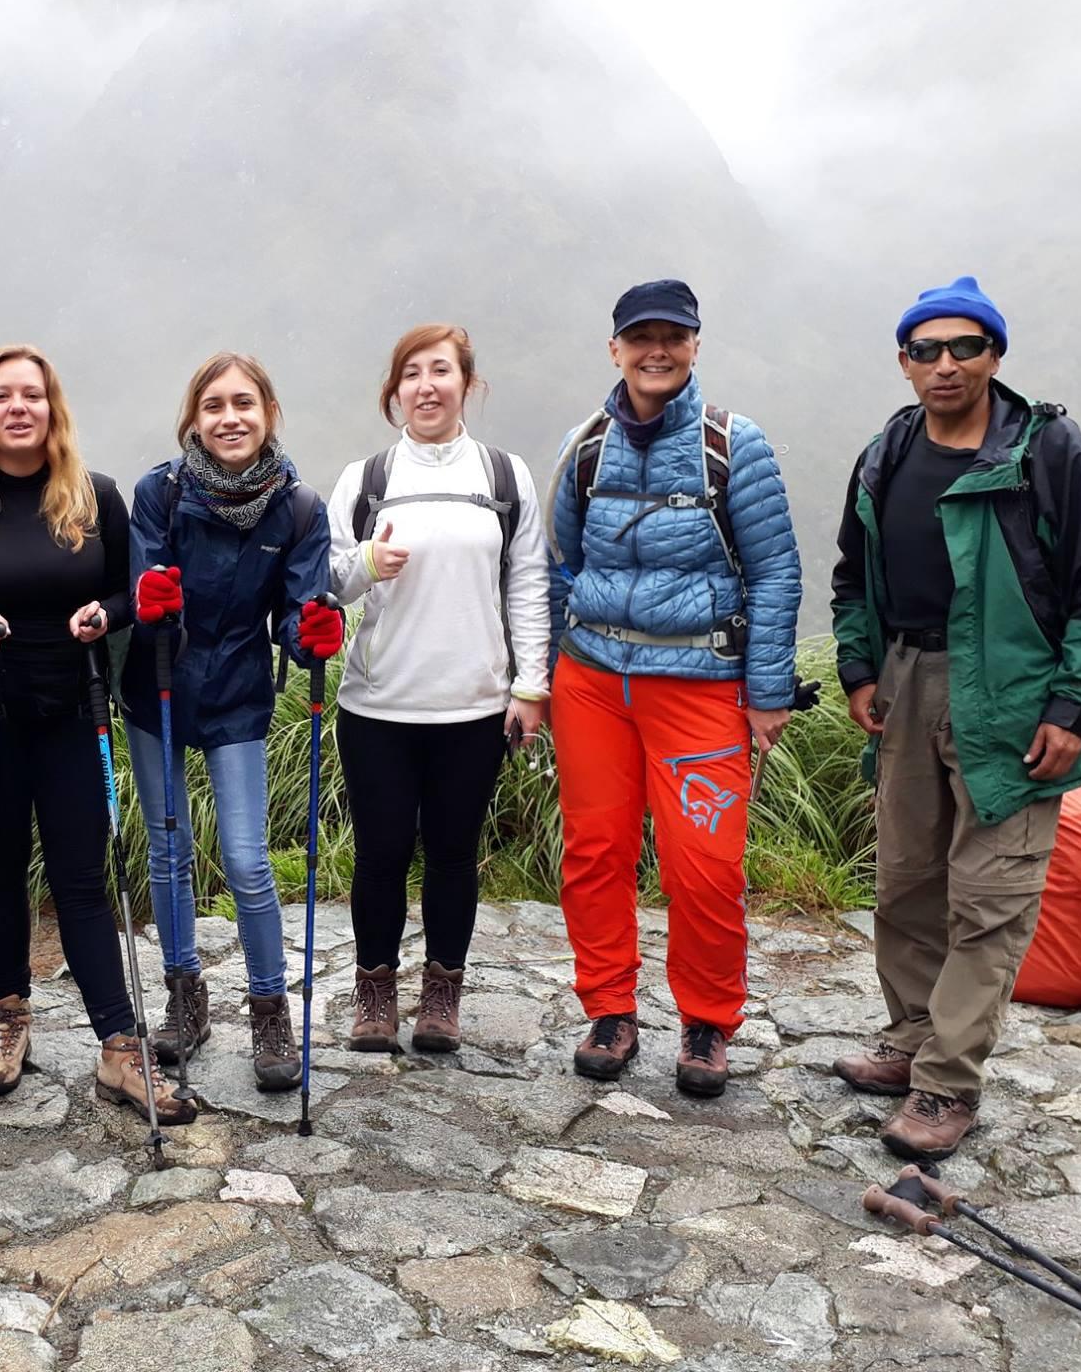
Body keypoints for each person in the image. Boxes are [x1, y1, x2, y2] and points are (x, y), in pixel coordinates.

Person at [830, 276, 1081, 1160]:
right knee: (906, 880)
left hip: (1010, 697)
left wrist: (1072, 706)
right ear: (904, 362)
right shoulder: (886, 452)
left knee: (990, 897)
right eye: (925, 350)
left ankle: (947, 1082)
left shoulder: (1046, 452)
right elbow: (853, 576)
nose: (945, 365)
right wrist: (859, 667)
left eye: (966, 346)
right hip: (906, 680)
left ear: (995, 355)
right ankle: (909, 1038)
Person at [548, 280, 803, 1097]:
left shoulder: (736, 445)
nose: (656, 350)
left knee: (704, 866)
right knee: (596, 851)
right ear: (615, 347)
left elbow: (775, 571)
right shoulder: (586, 445)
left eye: (674, 336)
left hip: (699, 686)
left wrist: (767, 692)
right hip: (591, 682)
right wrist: (541, 674)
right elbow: (559, 564)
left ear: (695, 346)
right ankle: (610, 1008)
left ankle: (706, 1021)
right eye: (640, 336)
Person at [0, 345, 194, 1124]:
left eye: (33, 396)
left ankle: (119, 1046)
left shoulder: (94, 496)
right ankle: (9, 1013)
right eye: (4, 396)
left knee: (83, 875)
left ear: (53, 409)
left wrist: (107, 615)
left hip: (75, 707)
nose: (19, 408)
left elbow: (128, 588)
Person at [325, 323, 551, 1052]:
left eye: (442, 371)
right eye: (412, 374)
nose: (427, 385)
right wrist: (368, 561)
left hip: (474, 705)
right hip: (379, 704)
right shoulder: (366, 480)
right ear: (394, 393)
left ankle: (443, 995)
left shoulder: (504, 476)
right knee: (382, 853)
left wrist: (530, 686)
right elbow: (326, 584)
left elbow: (529, 584)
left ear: (467, 385)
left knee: (454, 852)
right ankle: (375, 992)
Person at [120, 353, 336, 1092]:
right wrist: (148, 597)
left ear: (268, 412)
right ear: (195, 420)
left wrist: (310, 630)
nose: (229, 418)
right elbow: (143, 579)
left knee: (246, 861)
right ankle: (186, 999)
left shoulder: (299, 508)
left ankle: (269, 1006)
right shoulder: (160, 492)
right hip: (158, 689)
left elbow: (299, 610)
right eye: (213, 406)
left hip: (238, 695)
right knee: (169, 848)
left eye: (243, 403)